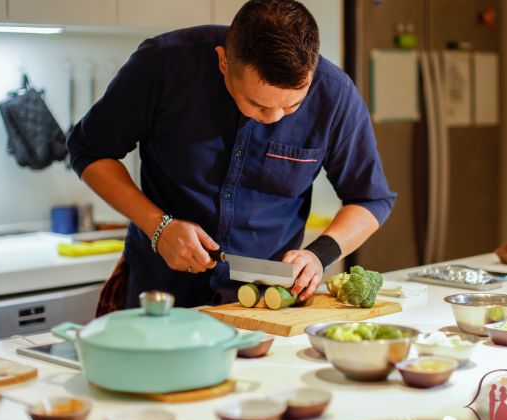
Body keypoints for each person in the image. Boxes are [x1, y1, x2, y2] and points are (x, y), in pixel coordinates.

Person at [67, 0, 396, 310]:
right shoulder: (163, 64)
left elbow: (370, 200)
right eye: (258, 105)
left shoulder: (335, 95)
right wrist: (158, 227)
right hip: (160, 294)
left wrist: (319, 255)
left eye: (293, 105)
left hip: (267, 305)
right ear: (224, 61)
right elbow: (89, 150)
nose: (275, 118)